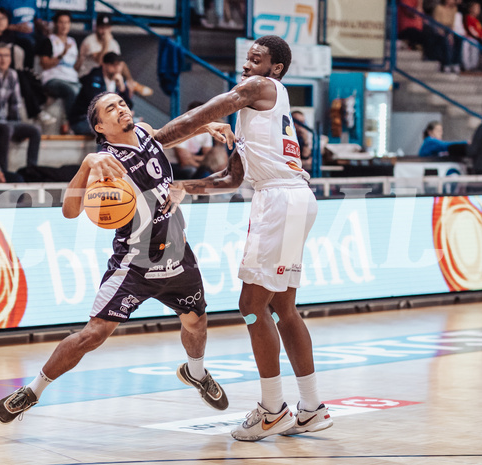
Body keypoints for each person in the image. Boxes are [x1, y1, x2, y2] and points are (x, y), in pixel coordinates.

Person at [0, 91, 231, 424]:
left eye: (121, 103)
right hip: (135, 263)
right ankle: (32, 391)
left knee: (197, 322)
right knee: (93, 334)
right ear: (100, 127)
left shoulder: (144, 131)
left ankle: (196, 373)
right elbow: (69, 211)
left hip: (177, 253)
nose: (120, 109)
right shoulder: (105, 163)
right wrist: (87, 163)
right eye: (110, 109)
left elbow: (168, 136)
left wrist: (206, 126)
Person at [153, 35, 332, 441]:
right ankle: (312, 407)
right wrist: (184, 186)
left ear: (276, 69)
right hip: (292, 198)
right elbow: (232, 178)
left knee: (251, 306)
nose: (248, 64)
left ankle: (272, 408)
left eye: (258, 59)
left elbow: (198, 117)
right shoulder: (257, 110)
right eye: (247, 58)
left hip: (280, 201)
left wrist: (146, 144)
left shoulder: (257, 89)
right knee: (283, 308)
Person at [0, 42, 41, 171]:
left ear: (10, 58)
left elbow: (15, 104)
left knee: (35, 130)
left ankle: (32, 170)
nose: (3, 59)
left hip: (7, 121)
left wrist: (18, 125)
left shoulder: (12, 74)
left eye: (6, 56)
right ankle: (3, 170)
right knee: (6, 129)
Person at [74, 13, 153, 97]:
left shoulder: (114, 43)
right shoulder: (90, 40)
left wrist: (129, 79)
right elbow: (100, 62)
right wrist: (106, 43)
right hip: (88, 77)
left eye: (107, 27)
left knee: (120, 71)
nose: (104, 31)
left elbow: (119, 63)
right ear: (96, 27)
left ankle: (131, 83)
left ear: (110, 28)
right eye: (101, 27)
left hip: (105, 76)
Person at [68, 51, 132, 136]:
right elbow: (99, 105)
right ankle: (105, 150)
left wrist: (122, 89)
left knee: (131, 124)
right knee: (108, 129)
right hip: (82, 120)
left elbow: (129, 105)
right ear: (104, 65)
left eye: (118, 65)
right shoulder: (93, 78)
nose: (116, 68)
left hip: (107, 120)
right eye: (113, 64)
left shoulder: (119, 81)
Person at [37, 10, 80, 133]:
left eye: (67, 22)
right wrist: (62, 55)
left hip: (71, 78)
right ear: (56, 24)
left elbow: (74, 65)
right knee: (70, 91)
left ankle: (84, 122)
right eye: (61, 22)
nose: (64, 25)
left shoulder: (72, 41)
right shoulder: (49, 41)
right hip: (53, 79)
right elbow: (44, 64)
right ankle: (69, 124)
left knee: (85, 92)